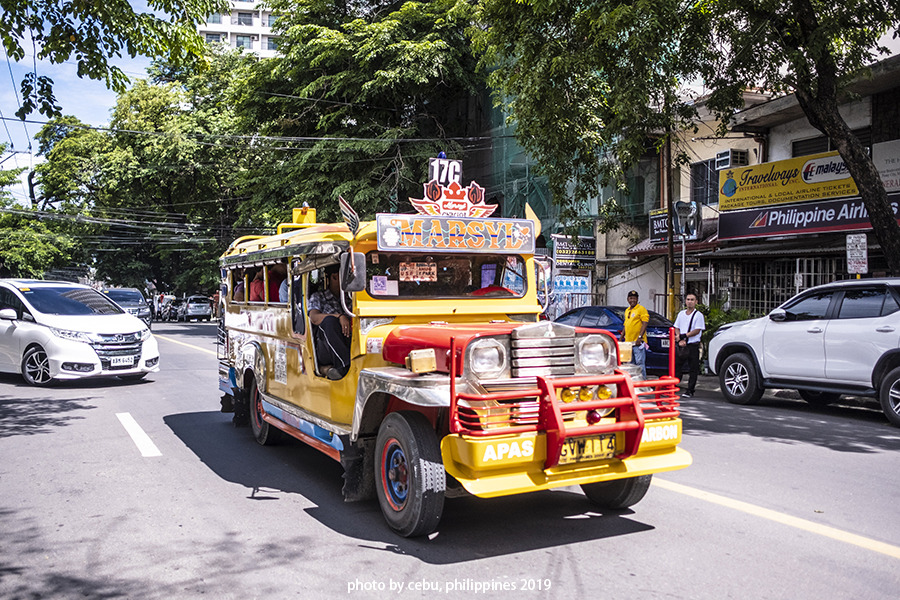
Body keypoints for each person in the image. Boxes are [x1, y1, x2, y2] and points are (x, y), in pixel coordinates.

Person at [308, 264, 351, 380]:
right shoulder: (318, 297)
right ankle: (345, 365)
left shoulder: (351, 299)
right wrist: (339, 316)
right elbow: (314, 317)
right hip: (324, 348)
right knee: (329, 322)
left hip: (348, 341)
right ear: (334, 277)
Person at [674, 292, 706, 398]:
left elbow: (697, 330)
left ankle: (690, 390)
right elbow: (676, 326)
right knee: (677, 366)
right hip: (682, 344)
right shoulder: (681, 314)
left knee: (693, 369)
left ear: (696, 302)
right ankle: (673, 387)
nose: (690, 302)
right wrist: (679, 338)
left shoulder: (698, 315)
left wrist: (684, 336)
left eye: (692, 300)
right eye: (688, 299)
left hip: (692, 345)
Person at [621, 289, 649, 379]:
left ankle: (642, 384)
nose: (632, 300)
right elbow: (626, 325)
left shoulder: (641, 309)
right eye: (630, 298)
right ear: (627, 299)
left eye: (634, 298)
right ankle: (633, 384)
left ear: (637, 299)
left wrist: (640, 337)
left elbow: (645, 323)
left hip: (638, 342)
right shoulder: (627, 310)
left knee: (639, 364)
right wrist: (621, 337)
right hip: (628, 343)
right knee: (630, 365)